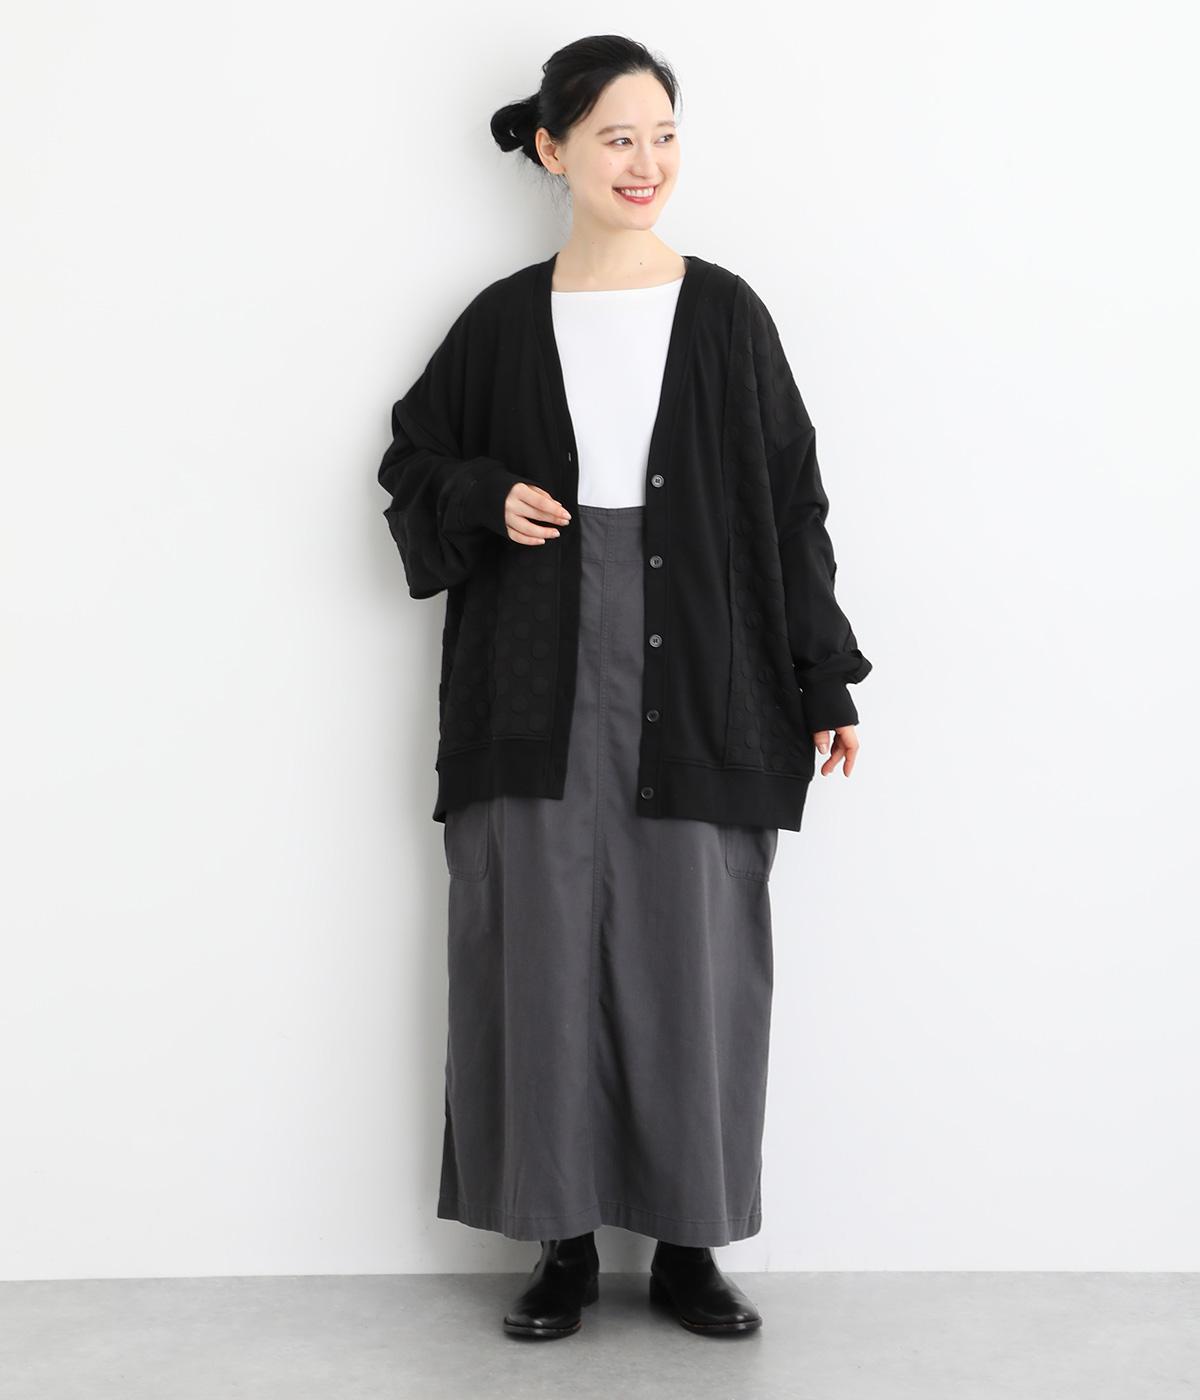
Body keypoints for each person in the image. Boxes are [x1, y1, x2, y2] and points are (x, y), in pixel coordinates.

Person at [377, 35, 873, 1341]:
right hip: (532, 673)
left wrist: (823, 675)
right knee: (537, 944)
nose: (645, 163)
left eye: (662, 135)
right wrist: (486, 495)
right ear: (554, 151)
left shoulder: (726, 315)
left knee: (691, 950)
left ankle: (689, 1245)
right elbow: (412, 462)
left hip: (700, 668)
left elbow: (790, 504)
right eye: (616, 137)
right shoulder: (499, 321)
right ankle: (562, 1244)